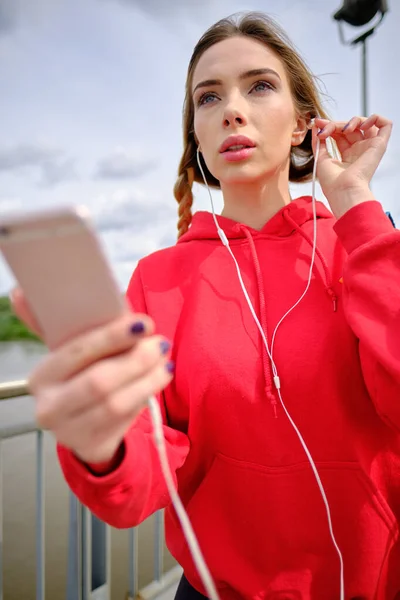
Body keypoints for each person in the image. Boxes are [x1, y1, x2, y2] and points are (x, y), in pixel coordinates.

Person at [11, 11, 399, 600]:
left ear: (301, 124)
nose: (231, 110)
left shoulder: (364, 247)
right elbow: (140, 481)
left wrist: (354, 202)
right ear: (197, 133)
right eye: (207, 97)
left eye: (259, 86)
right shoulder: (156, 280)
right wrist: (103, 444)